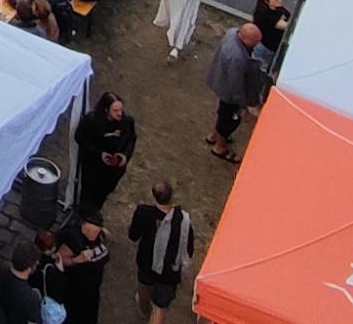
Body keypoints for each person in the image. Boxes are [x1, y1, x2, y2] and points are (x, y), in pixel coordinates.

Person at [126, 180, 198, 324]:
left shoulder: (143, 212)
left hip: (146, 264)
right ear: (171, 196)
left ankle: (143, 311)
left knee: (144, 289)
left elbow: (133, 236)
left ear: (154, 196)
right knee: (160, 308)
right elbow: (188, 248)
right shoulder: (183, 220)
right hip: (169, 272)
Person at [205, 22, 265, 161]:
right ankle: (219, 147)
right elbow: (236, 84)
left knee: (222, 113)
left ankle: (214, 135)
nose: (256, 45)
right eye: (254, 43)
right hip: (229, 93)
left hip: (220, 81)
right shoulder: (237, 58)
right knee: (230, 119)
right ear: (244, 39)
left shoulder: (232, 33)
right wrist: (243, 105)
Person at [73, 92, 136, 220]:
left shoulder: (126, 121)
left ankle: (94, 213)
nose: (119, 113)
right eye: (115, 110)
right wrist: (99, 154)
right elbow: (80, 138)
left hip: (113, 170)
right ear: (106, 109)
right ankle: (82, 218)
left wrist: (123, 156)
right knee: (87, 195)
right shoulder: (91, 120)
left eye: (120, 109)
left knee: (102, 195)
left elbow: (131, 139)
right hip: (93, 168)